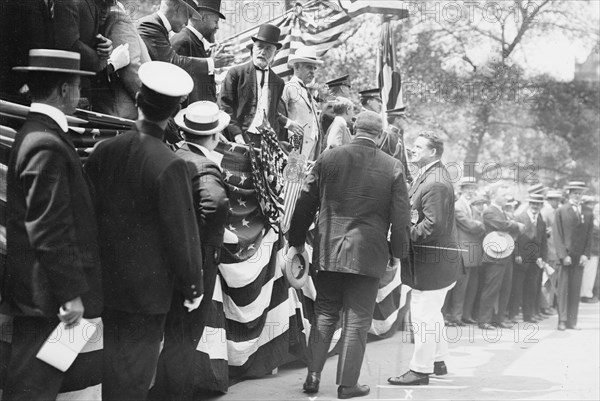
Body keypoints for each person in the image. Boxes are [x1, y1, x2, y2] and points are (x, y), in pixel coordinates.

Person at [84, 61, 203, 400]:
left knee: (111, 376)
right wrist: (192, 285)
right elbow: (182, 235)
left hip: (106, 286)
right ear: (176, 111)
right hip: (148, 297)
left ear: (137, 100)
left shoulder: (104, 150)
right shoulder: (170, 163)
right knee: (134, 381)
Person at [1, 49, 102, 400]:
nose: (80, 94)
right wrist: (70, 292)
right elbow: (49, 228)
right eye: (77, 86)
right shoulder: (45, 142)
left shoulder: (37, 134)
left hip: (45, 293)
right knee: (33, 386)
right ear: (64, 90)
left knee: (42, 382)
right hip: (48, 296)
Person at [289, 111, 410, 399]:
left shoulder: (328, 158)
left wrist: (295, 242)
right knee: (357, 321)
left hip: (329, 252)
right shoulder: (392, 166)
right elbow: (401, 218)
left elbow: (305, 200)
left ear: (355, 130)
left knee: (325, 314)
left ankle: (313, 376)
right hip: (368, 256)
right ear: (381, 137)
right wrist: (397, 253)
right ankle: (346, 385)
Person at [152, 101, 230, 400]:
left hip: (169, 258)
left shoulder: (173, 155)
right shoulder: (205, 164)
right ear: (213, 136)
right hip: (197, 260)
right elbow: (215, 204)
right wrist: (195, 239)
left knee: (172, 333)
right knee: (185, 336)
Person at [388, 132, 460, 386]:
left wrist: (400, 237)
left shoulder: (435, 182)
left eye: (419, 147)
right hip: (437, 264)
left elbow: (432, 227)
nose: (412, 150)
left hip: (432, 265)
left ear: (433, 152)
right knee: (433, 314)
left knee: (423, 317)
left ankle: (420, 370)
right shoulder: (431, 175)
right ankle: (438, 360)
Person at [220, 23, 288, 147]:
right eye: (259, 47)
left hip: (265, 142)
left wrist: (275, 141)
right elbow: (225, 106)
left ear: (274, 54)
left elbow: (273, 113)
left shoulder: (278, 82)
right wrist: (236, 134)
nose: (263, 52)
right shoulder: (236, 73)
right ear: (253, 48)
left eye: (268, 49)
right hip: (238, 138)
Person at [478, 186, 524, 330]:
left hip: (505, 254)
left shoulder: (501, 211)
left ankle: (498, 319)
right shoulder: (490, 211)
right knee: (491, 288)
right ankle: (484, 320)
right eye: (504, 195)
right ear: (494, 196)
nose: (507, 198)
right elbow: (500, 225)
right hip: (495, 255)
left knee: (505, 288)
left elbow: (504, 226)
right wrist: (516, 225)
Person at [170, 0, 234, 103]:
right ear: (203, 18)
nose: (217, 27)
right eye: (216, 21)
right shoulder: (182, 41)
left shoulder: (194, 40)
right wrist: (212, 62)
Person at [93, 1, 148, 119]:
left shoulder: (108, 15)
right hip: (123, 114)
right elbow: (131, 71)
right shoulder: (119, 19)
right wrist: (153, 104)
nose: (105, 9)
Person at [445, 177, 486, 327]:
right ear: (461, 189)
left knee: (472, 287)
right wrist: (482, 224)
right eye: (467, 188)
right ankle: (456, 316)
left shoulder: (473, 206)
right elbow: (471, 226)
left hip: (474, 253)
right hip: (464, 252)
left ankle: (466, 315)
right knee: (461, 287)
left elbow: (477, 225)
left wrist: (479, 224)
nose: (471, 191)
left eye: (473, 188)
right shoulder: (458, 206)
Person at [553, 181, 594, 330]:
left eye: (580, 192)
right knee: (563, 290)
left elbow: (589, 236)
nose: (577, 195)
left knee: (575, 290)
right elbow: (557, 236)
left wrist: (585, 254)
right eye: (575, 192)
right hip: (566, 258)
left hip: (579, 258)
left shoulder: (588, 212)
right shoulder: (561, 211)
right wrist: (563, 255)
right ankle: (562, 321)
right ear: (569, 193)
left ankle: (572, 321)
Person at [509, 193, 548, 323]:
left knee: (531, 288)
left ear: (541, 205)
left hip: (535, 260)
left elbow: (543, 243)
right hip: (521, 259)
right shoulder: (519, 218)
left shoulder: (542, 222)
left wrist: (543, 258)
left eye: (538, 204)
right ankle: (513, 314)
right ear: (529, 204)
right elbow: (514, 239)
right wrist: (517, 254)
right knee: (517, 287)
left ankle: (528, 314)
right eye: (533, 203)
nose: (535, 206)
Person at [282, 46, 323, 160]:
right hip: (294, 147)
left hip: (312, 149)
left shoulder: (308, 91)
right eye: (309, 67)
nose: (313, 72)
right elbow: (278, 116)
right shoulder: (288, 88)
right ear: (296, 67)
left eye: (314, 68)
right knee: (292, 177)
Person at [539, 189, 563, 314]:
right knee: (547, 280)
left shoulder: (552, 211)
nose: (558, 202)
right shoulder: (547, 212)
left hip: (553, 251)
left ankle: (548, 305)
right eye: (556, 200)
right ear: (550, 200)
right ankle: (545, 306)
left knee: (551, 280)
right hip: (549, 251)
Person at [378, 107, 412, 183]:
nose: (405, 121)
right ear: (397, 119)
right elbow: (379, 158)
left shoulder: (398, 135)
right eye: (404, 118)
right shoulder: (386, 134)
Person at [580, 196, 599, 303]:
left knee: (590, 273)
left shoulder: (591, 217)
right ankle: (585, 294)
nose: (591, 206)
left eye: (592, 204)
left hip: (594, 250)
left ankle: (587, 293)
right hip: (591, 250)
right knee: (588, 273)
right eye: (589, 204)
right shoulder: (588, 217)